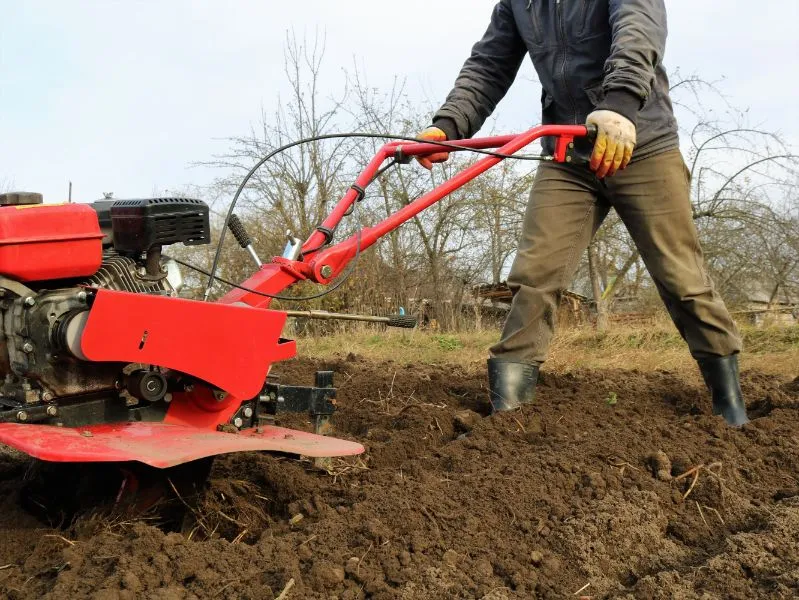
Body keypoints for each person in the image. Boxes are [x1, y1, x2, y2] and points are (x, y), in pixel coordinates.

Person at [417, 0, 749, 426]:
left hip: (640, 144)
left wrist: (620, 103)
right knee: (533, 279)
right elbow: (489, 65)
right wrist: (448, 126)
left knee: (682, 280)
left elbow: (638, 30)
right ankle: (508, 417)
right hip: (568, 154)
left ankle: (730, 405)